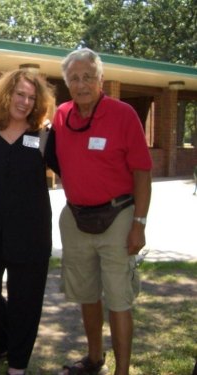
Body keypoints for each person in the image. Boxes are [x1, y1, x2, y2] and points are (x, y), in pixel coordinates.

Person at [50, 48, 152, 375]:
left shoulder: (123, 115)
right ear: (67, 83)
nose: (81, 85)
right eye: (74, 79)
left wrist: (139, 223)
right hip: (76, 218)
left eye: (87, 77)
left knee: (119, 299)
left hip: (118, 218)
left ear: (100, 79)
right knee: (87, 295)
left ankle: (122, 371)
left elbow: (142, 173)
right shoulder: (61, 115)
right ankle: (94, 359)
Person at [0, 68, 55, 375]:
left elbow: (71, 163)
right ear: (7, 94)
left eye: (32, 98)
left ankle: (18, 361)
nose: (24, 102)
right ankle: (0, 344)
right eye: (20, 94)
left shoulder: (44, 134)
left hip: (31, 233)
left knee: (26, 299)